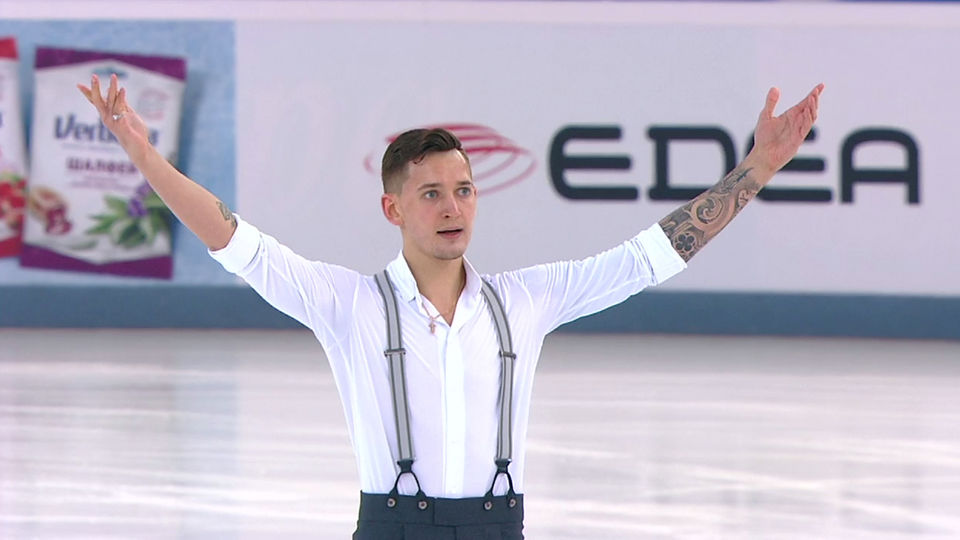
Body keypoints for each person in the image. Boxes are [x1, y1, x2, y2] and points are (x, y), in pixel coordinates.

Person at [80, 75, 823, 539]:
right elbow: (234, 239)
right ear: (393, 207)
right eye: (431, 193)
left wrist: (757, 169)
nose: (452, 207)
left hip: (501, 528)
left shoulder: (524, 301)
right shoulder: (348, 305)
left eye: (463, 190)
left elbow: (649, 256)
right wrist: (144, 155)